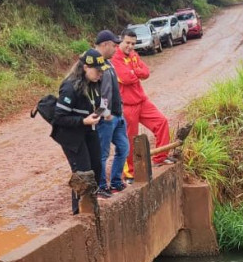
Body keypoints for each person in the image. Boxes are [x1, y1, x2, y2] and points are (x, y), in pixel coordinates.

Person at [110, 29, 173, 179]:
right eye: (127, 43)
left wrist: (134, 71)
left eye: (133, 43)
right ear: (120, 41)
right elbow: (126, 78)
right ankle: (130, 173)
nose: (130, 46)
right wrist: (135, 71)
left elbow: (146, 72)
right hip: (127, 106)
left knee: (161, 122)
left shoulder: (133, 55)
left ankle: (160, 158)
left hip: (142, 100)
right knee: (130, 140)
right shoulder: (115, 59)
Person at [51, 49, 105, 214]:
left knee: (96, 167)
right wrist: (83, 121)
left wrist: (102, 113)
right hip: (72, 135)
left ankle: (91, 205)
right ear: (85, 67)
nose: (100, 74)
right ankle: (79, 211)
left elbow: (96, 104)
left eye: (102, 71)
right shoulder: (70, 87)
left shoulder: (93, 85)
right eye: (97, 70)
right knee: (82, 173)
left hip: (89, 131)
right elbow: (59, 118)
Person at [93, 30, 129, 195]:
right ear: (105, 44)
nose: (116, 48)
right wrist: (105, 115)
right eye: (114, 45)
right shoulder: (97, 64)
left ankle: (115, 181)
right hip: (107, 118)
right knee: (103, 153)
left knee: (124, 147)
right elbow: (101, 95)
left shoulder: (109, 63)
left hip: (117, 116)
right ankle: (101, 186)